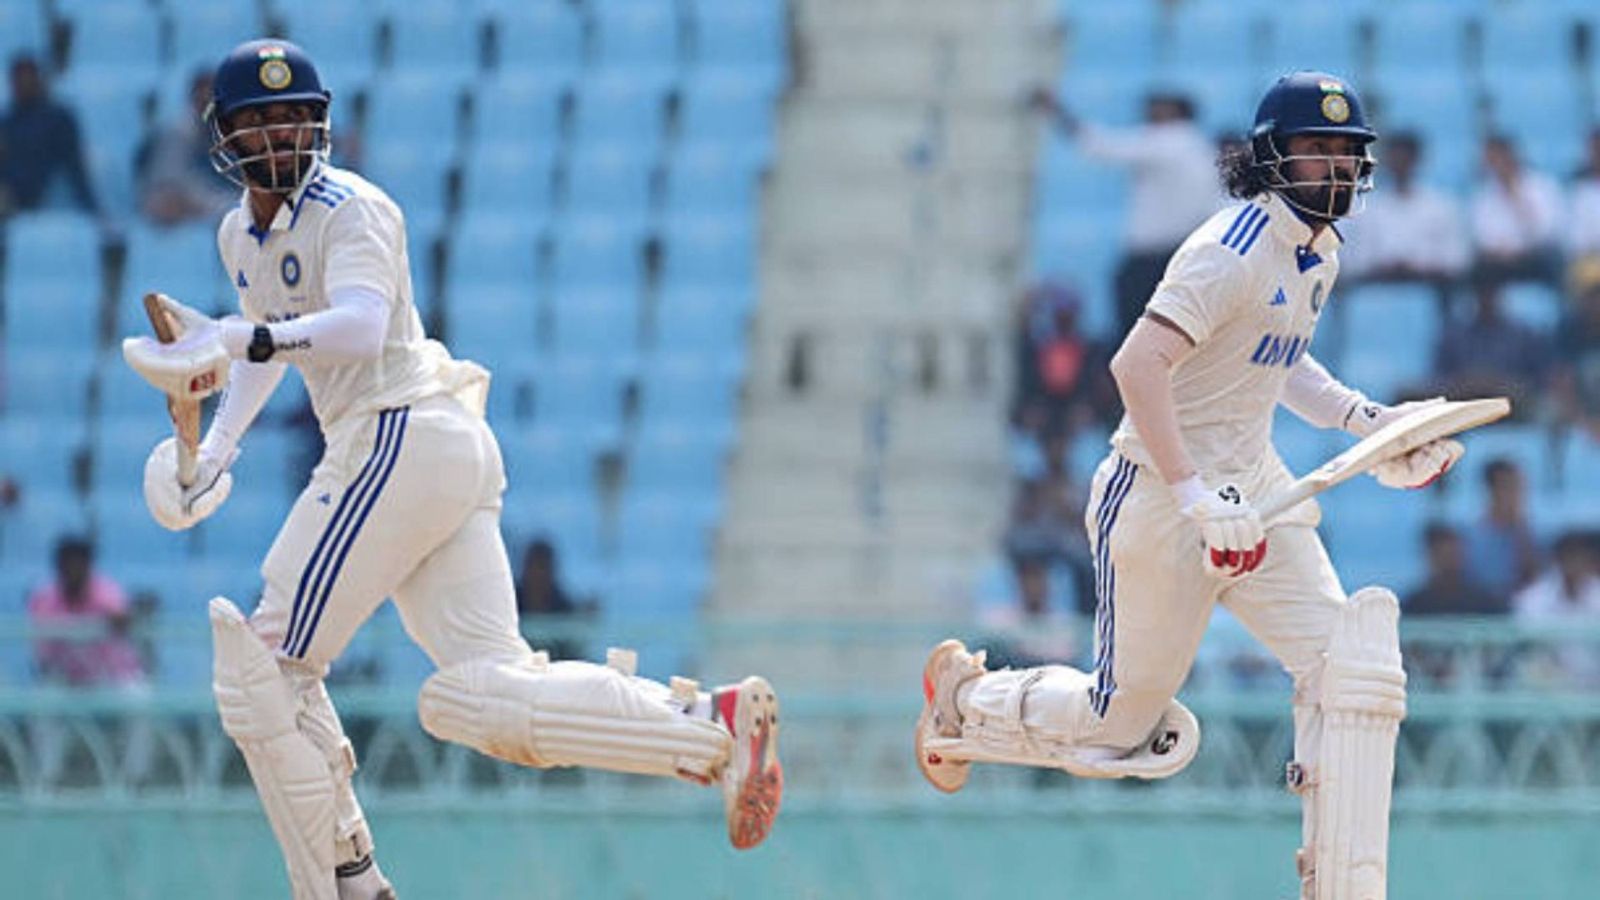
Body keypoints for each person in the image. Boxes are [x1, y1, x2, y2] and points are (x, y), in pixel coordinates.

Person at [118, 40, 782, 900]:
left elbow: (356, 325)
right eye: (260, 119)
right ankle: (712, 728)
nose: (280, 134)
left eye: (294, 116)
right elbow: (263, 347)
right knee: (479, 693)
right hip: (429, 451)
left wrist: (241, 337)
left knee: (266, 667)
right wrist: (218, 449)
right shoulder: (236, 235)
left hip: (397, 432)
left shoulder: (354, 209)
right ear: (226, 134)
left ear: (319, 123)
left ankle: (347, 881)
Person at [917, 72, 1465, 898]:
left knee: (1346, 669)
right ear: (1272, 157)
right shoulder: (1229, 251)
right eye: (1317, 151)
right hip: (1158, 499)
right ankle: (968, 696)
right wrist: (1192, 494)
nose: (1337, 170)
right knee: (1117, 728)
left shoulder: (1321, 251)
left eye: (1347, 154)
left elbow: (1275, 357)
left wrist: (1371, 423)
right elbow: (1136, 365)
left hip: (1259, 491)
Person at [1030, 87, 1220, 337]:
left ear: (1175, 112)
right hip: (1187, 257)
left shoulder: (1167, 139)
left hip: (1151, 261)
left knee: (1133, 338)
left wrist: (1058, 112)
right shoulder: (1203, 149)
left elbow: (1100, 145)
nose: (1149, 115)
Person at [1339, 130, 1468, 311]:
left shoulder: (1441, 207)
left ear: (1417, 160)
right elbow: (1353, 263)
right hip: (1377, 298)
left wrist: (1417, 267)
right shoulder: (1368, 208)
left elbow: (1456, 261)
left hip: (1428, 295)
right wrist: (1387, 267)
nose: (1400, 164)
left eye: (1405, 158)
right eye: (1395, 158)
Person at [26, 536, 146, 687]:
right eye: (68, 564)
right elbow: (42, 652)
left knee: (136, 698)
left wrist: (118, 619)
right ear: (59, 566)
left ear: (89, 565)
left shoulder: (107, 591)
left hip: (113, 675)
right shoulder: (44, 599)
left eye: (78, 564)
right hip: (64, 679)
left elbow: (121, 616)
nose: (73, 570)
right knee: (41, 703)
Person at [0, 53, 99, 215]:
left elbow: (74, 166)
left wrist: (92, 209)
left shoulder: (58, 119)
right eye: (19, 79)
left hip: (32, 193)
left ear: (39, 80)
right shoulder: (6, 121)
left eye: (29, 78)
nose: (24, 84)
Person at [136, 68, 238, 226]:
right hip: (191, 206)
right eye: (203, 100)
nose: (208, 107)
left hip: (224, 206)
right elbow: (174, 183)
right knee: (166, 200)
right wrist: (223, 206)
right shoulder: (178, 135)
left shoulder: (240, 133)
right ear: (193, 101)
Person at [1469, 133, 1563, 293]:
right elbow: (1481, 236)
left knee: (1555, 263)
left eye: (1498, 158)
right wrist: (1501, 252)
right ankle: (1487, 317)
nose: (1495, 164)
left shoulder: (1543, 187)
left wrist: (1516, 197)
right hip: (1497, 260)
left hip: (1534, 256)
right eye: (1491, 159)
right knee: (1475, 270)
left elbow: (1546, 233)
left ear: (1511, 155)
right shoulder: (1483, 193)